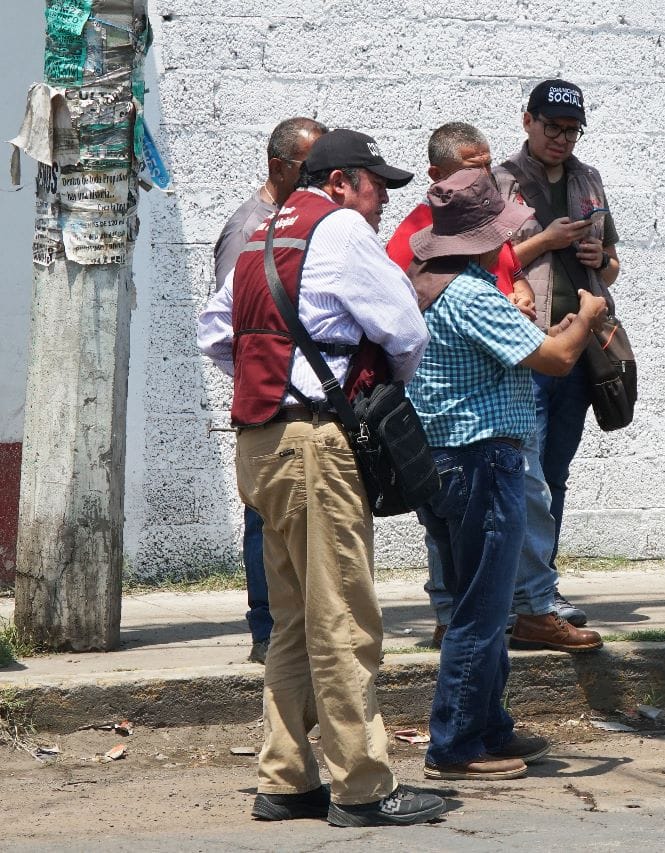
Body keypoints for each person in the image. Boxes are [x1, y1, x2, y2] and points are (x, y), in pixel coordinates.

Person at [197, 128, 444, 826]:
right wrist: (358, 396)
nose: (382, 205)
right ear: (339, 183)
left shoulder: (257, 231)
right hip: (314, 445)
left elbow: (217, 335)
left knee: (295, 617)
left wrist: (277, 387)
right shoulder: (338, 229)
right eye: (376, 187)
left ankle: (284, 777)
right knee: (343, 617)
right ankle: (363, 785)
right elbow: (405, 329)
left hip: (260, 442)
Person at [405, 168, 609, 781]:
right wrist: (587, 314)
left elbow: (521, 345)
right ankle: (457, 744)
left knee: (484, 604)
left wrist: (557, 327)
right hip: (479, 462)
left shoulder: (440, 287)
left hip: (451, 461)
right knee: (483, 609)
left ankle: (488, 726)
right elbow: (554, 357)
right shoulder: (471, 294)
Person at [388, 123, 600, 653]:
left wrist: (523, 293)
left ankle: (478, 615)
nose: (484, 176)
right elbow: (552, 356)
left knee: (491, 520)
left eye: (486, 165)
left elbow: (508, 273)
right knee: (511, 509)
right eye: (470, 168)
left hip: (481, 398)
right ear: (437, 177)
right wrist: (581, 319)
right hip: (470, 416)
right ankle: (518, 611)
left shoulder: (473, 226)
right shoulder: (424, 237)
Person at [493, 79, 621, 628]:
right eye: (553, 127)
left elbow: (613, 263)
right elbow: (486, 262)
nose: (562, 139)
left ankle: (542, 584)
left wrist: (599, 254)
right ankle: (520, 592)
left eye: (572, 130)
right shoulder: (499, 181)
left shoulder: (588, 179)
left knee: (557, 472)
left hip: (579, 347)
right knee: (527, 474)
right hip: (529, 346)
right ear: (528, 122)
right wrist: (545, 241)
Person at [211, 116, 326, 664]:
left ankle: (292, 629)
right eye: (312, 166)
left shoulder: (314, 221)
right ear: (279, 167)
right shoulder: (249, 228)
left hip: (303, 402)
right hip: (266, 401)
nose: (324, 178)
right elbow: (227, 327)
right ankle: (267, 630)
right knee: (264, 519)